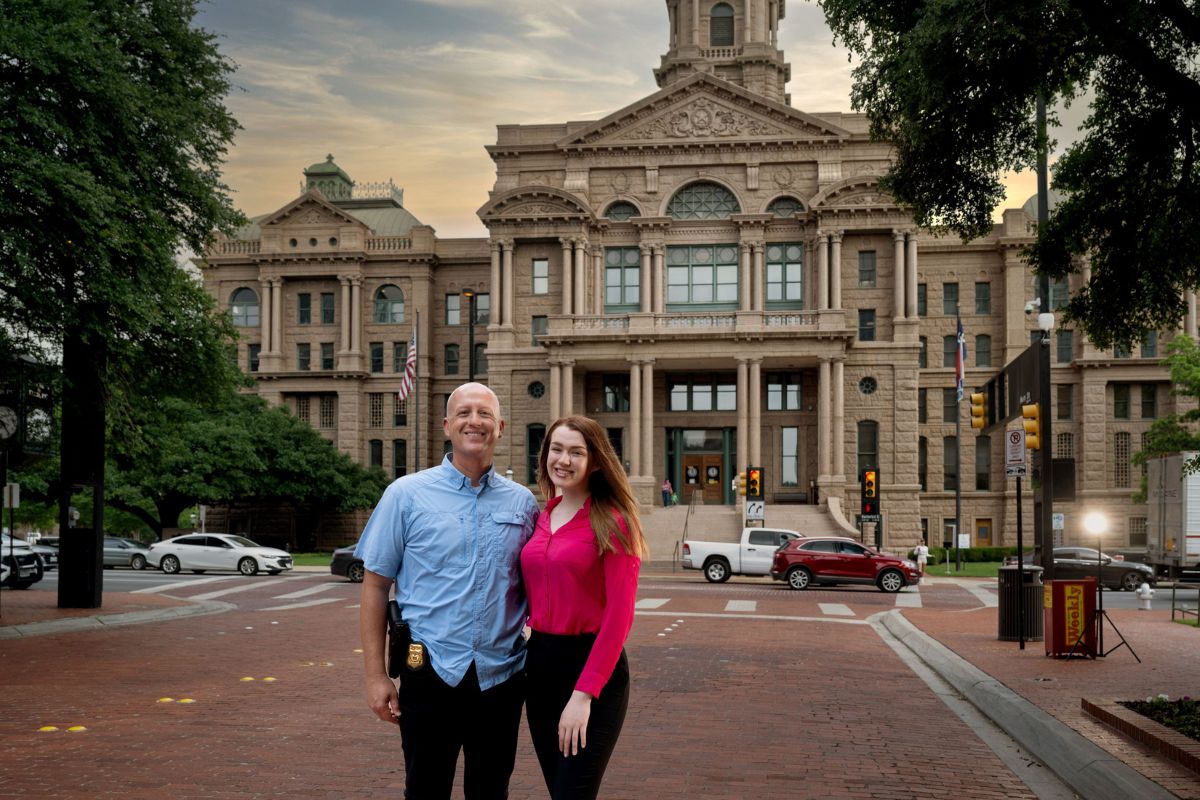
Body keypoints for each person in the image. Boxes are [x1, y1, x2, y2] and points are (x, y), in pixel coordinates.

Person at [356, 382, 538, 800]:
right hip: (430, 672)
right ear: (447, 426)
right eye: (464, 413)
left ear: (500, 427)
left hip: (501, 677)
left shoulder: (522, 504)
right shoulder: (405, 495)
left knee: (491, 792)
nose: (475, 421)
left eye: (485, 414)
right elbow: (375, 587)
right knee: (424, 790)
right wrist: (375, 676)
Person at [521, 415, 647, 800]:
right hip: (540, 667)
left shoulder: (613, 522)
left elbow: (619, 617)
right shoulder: (539, 517)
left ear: (595, 461)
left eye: (577, 452)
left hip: (592, 672)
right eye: (556, 449)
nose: (564, 459)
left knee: (573, 792)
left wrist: (584, 695)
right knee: (558, 789)